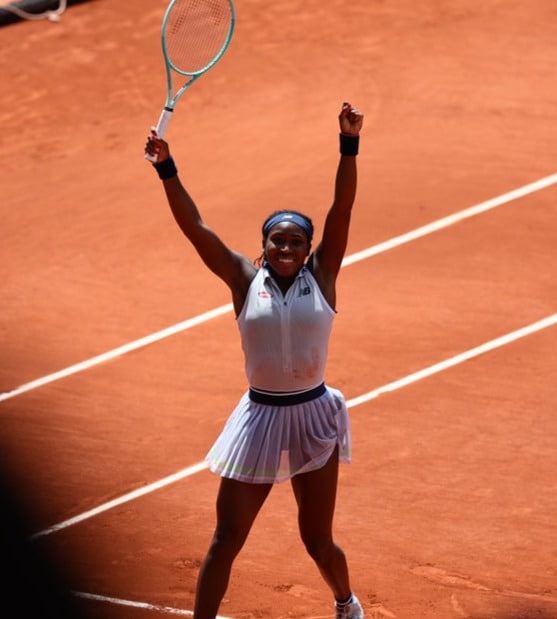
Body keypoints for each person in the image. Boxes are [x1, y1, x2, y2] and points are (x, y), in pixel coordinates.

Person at [145, 102, 365, 619]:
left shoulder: (324, 276)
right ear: (262, 249)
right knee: (226, 539)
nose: (286, 248)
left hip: (314, 416)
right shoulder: (245, 280)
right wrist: (166, 168)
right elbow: (195, 227)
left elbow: (343, 209)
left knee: (317, 541)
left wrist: (349, 144)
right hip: (260, 418)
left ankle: (346, 602)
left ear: (310, 249)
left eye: (296, 241)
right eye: (277, 240)